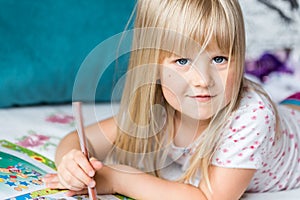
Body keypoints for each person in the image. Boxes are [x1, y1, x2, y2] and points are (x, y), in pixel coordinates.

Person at [43, 0, 300, 199]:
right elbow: (80, 138)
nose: (202, 79)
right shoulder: (161, 105)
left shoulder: (252, 116)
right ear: (154, 67)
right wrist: (73, 162)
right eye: (182, 61)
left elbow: (209, 198)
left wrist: (117, 179)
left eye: (219, 59)